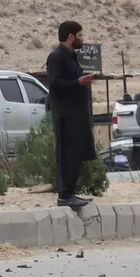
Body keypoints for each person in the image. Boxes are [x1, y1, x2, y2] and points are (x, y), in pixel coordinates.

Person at [46, 21, 97, 209]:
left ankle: (71, 194)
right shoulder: (56, 57)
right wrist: (78, 83)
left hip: (77, 116)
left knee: (76, 154)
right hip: (65, 117)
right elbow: (55, 84)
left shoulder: (71, 56)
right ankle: (64, 196)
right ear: (70, 37)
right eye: (80, 35)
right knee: (67, 155)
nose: (83, 39)